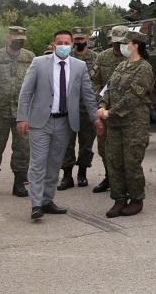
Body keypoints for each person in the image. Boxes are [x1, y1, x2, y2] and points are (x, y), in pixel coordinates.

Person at [16, 30, 103, 220]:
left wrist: (95, 118)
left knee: (55, 164)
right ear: (53, 45)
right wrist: (21, 117)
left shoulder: (79, 66)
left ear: (72, 45)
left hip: (64, 122)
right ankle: (36, 204)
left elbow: (88, 94)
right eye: (59, 42)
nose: (63, 46)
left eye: (66, 42)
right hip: (40, 121)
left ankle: (47, 200)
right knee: (38, 164)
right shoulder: (39, 63)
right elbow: (26, 92)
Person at [96, 29, 154, 218]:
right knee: (114, 162)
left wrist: (110, 112)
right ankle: (119, 199)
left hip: (134, 124)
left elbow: (133, 97)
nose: (122, 46)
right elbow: (108, 89)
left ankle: (136, 200)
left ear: (135, 46)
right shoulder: (121, 66)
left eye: (125, 43)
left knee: (131, 163)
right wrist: (102, 104)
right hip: (115, 123)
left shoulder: (144, 68)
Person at [0, 27, 35, 197]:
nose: (18, 41)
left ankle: (19, 184)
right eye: (15, 38)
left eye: (21, 39)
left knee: (22, 149)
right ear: (8, 38)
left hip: (22, 112)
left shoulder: (30, 57)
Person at [57, 27, 99, 190]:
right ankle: (67, 176)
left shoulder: (95, 58)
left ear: (87, 39)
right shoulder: (67, 57)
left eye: (82, 39)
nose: (80, 42)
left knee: (86, 144)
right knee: (67, 143)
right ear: (73, 41)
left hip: (88, 108)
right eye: (77, 39)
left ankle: (82, 173)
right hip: (68, 107)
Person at [89, 25, 128, 193]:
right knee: (104, 146)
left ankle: (127, 179)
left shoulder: (133, 59)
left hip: (126, 110)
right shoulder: (102, 57)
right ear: (111, 40)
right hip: (105, 109)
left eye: (123, 42)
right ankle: (110, 177)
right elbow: (94, 80)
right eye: (116, 42)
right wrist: (100, 98)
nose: (119, 46)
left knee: (127, 147)